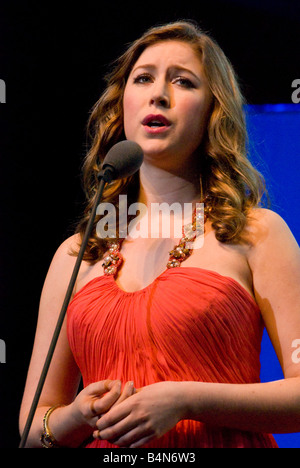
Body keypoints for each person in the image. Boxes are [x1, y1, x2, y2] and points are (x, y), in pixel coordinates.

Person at [19, 20, 300, 449]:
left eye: (183, 81)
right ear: (122, 106)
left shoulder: (257, 234)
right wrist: (77, 414)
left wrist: (187, 399)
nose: (159, 94)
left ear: (213, 111)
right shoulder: (77, 254)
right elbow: (32, 426)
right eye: (144, 78)